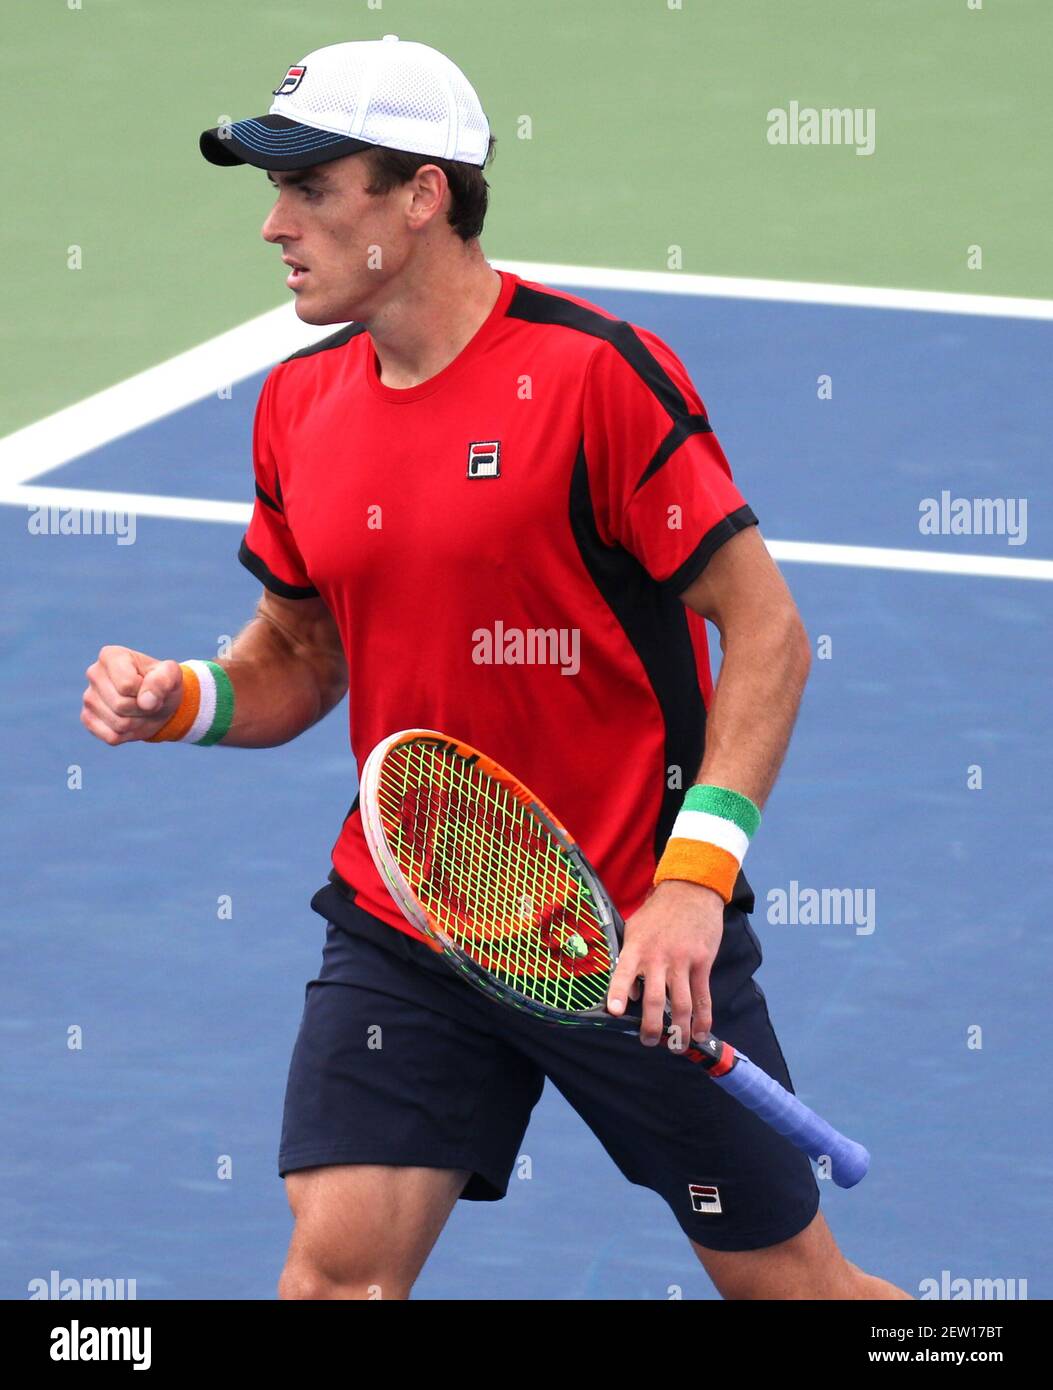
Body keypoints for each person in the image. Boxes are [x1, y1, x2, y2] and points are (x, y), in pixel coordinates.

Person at [81, 36, 910, 1301]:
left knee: (795, 1290)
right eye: (272, 189)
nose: (274, 225)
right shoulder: (299, 407)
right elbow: (302, 656)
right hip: (416, 909)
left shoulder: (595, 379)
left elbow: (769, 632)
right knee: (333, 1280)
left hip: (626, 929)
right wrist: (183, 699)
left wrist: (694, 882)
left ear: (421, 195)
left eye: (310, 188)